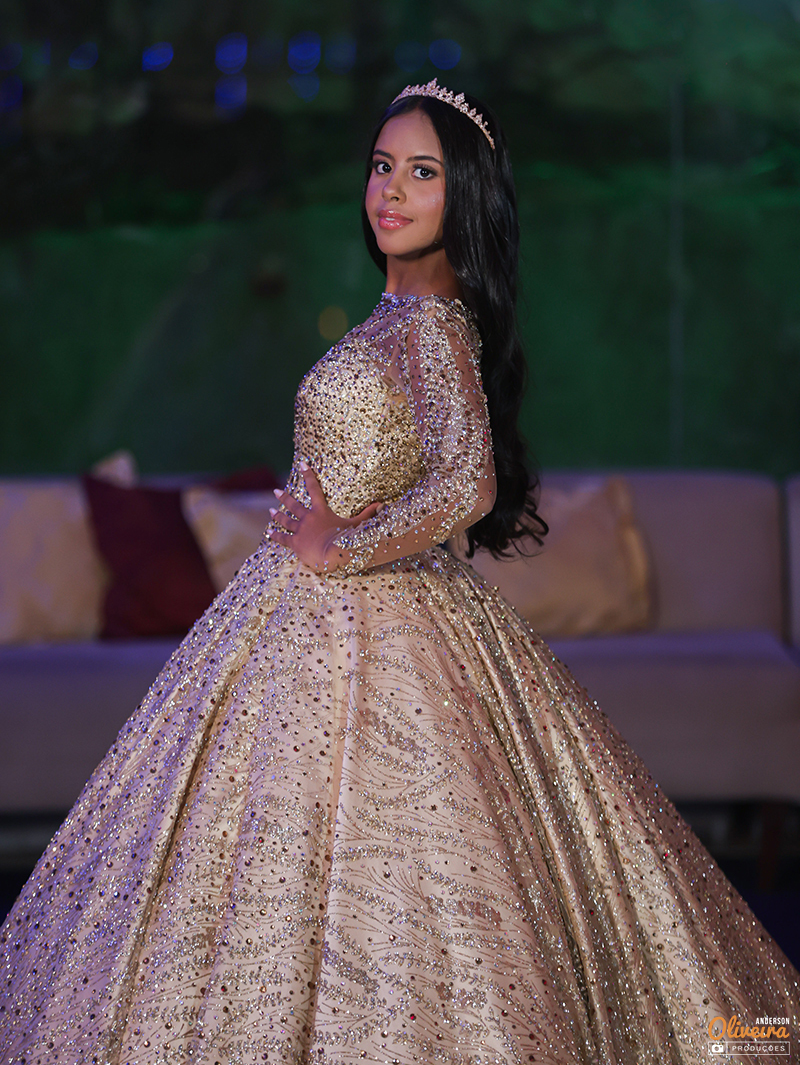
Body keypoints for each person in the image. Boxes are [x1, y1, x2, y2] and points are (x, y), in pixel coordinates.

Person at [1, 79, 798, 1065]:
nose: (391, 190)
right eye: (382, 167)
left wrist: (338, 546)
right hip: (297, 621)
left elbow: (467, 481)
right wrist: (309, 525)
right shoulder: (390, 320)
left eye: (422, 173)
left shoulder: (433, 326)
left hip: (376, 623)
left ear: (463, 197)